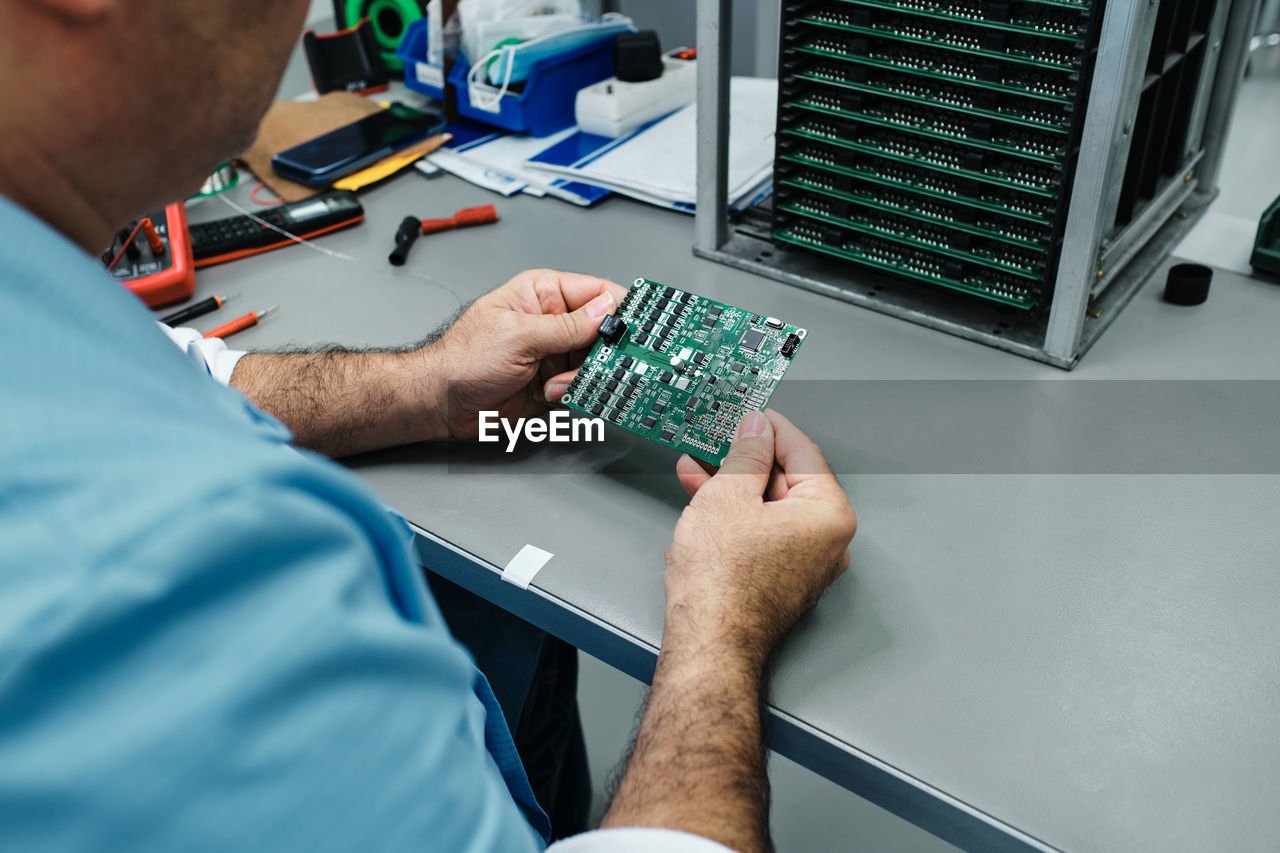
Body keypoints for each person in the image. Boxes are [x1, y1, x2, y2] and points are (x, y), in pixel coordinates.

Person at [0, 1, 858, 851]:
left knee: (513, 624)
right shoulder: (208, 582)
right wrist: (722, 626)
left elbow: (190, 373)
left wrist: (431, 385)